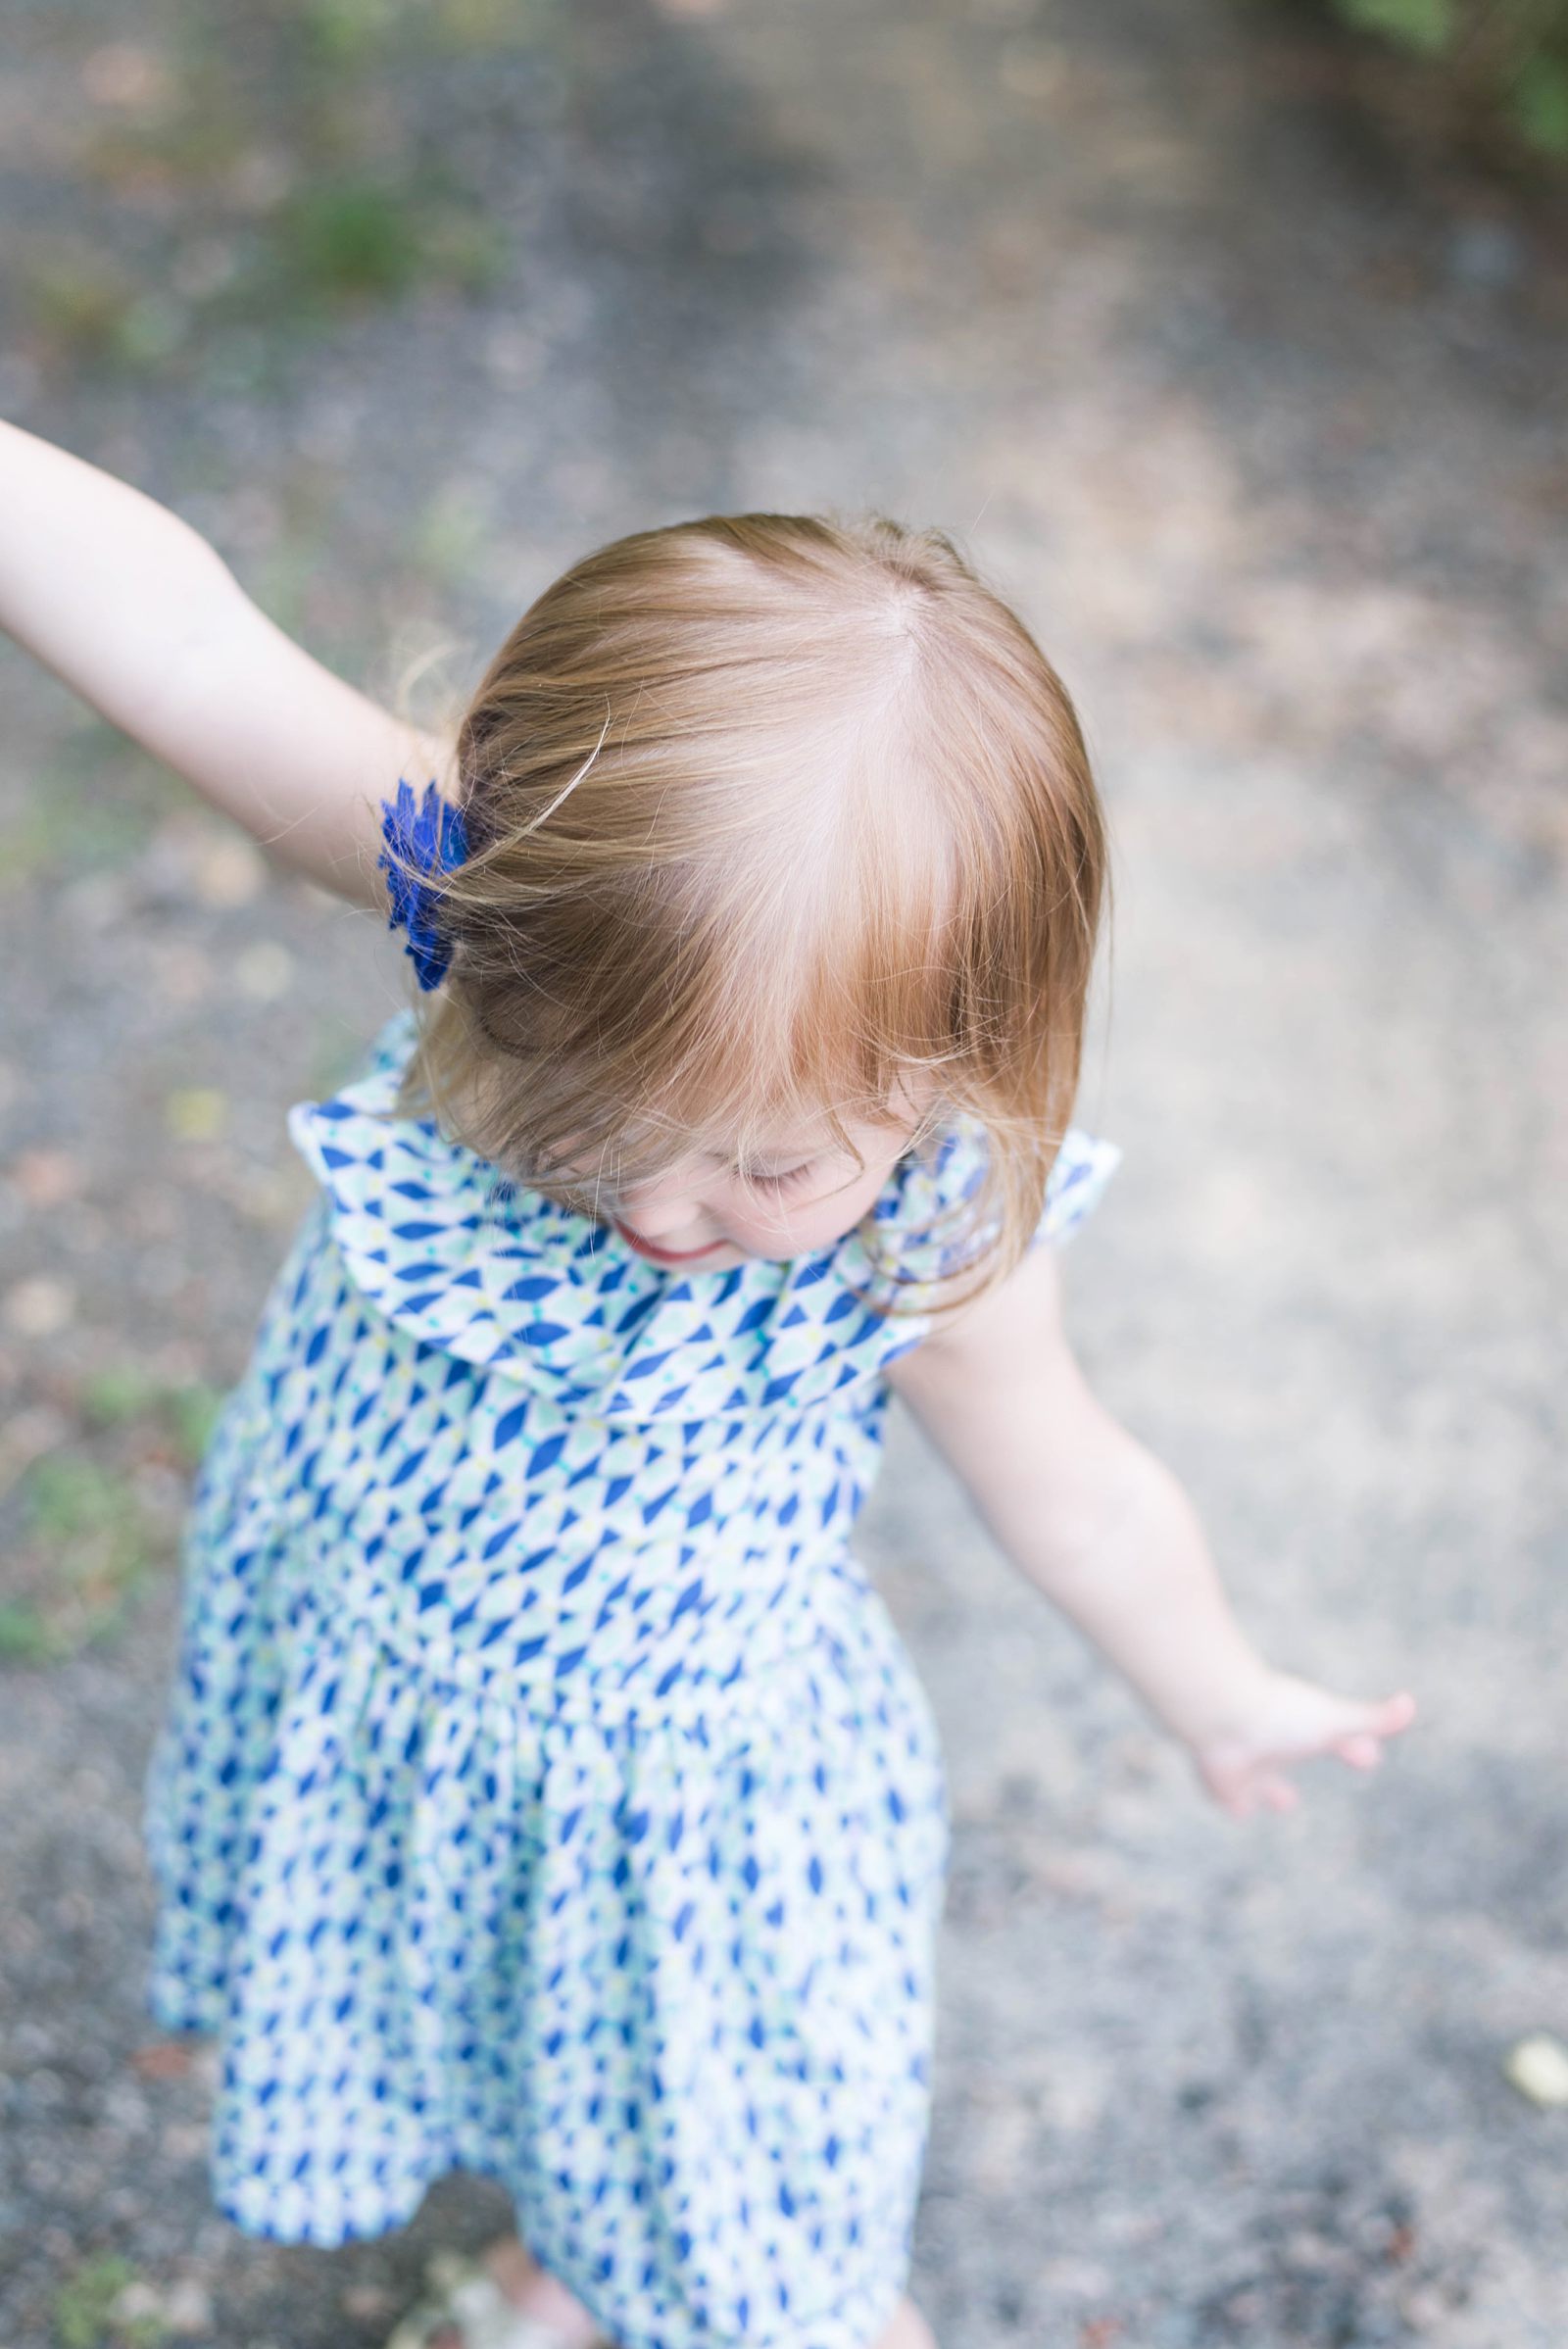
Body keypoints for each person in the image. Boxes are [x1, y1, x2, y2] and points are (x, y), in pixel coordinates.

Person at [0, 419, 1415, 2349]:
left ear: (948, 1062)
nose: (668, 1202)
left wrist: (1217, 1685)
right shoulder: (506, 896)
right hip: (388, 1707)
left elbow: (1071, 1485)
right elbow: (179, 639)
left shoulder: (920, 1228)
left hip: (670, 1845)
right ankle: (565, 2250)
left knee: (737, 2218)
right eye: (592, 1122)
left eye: (765, 1164)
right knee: (496, 2038)